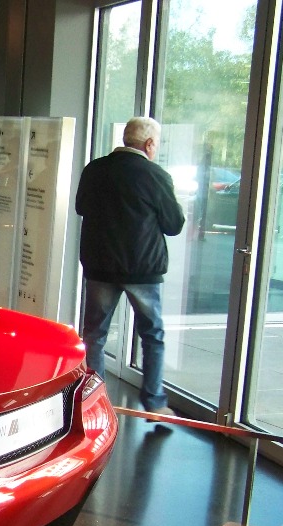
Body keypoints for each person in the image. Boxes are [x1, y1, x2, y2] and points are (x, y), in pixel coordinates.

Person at [75, 116, 185, 417]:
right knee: (152, 334)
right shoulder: (155, 175)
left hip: (100, 265)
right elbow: (174, 224)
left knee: (95, 335)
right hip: (142, 268)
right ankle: (154, 402)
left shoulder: (94, 169)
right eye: (157, 144)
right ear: (149, 144)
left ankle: (94, 401)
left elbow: (81, 207)